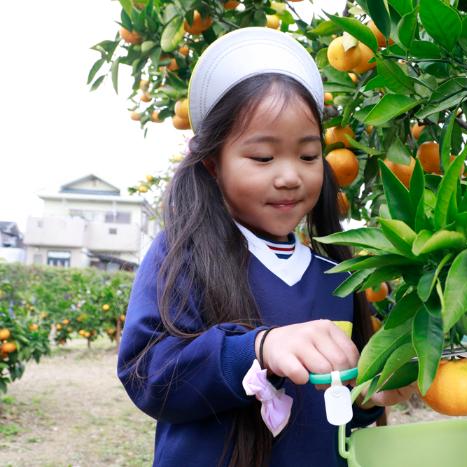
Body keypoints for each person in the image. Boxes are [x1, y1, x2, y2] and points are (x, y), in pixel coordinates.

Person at [117, 27, 416, 467]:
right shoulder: (184, 254)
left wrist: (369, 396)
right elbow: (149, 375)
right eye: (263, 157)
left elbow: (336, 414)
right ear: (213, 164)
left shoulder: (334, 273)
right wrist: (257, 349)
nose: (290, 176)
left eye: (309, 156)